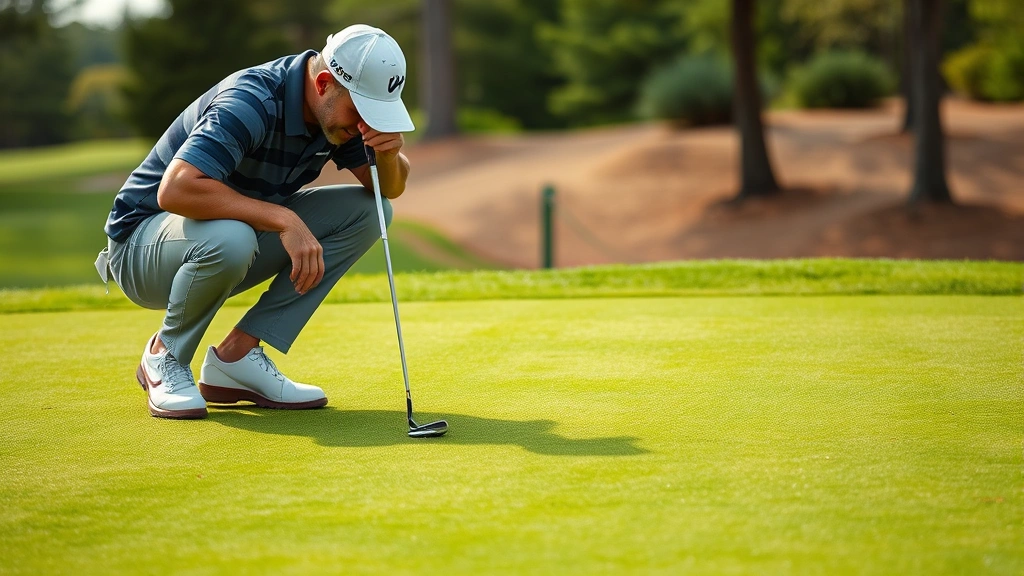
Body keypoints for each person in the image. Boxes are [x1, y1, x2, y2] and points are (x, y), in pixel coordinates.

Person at [94, 25, 415, 420]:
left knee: (372, 212)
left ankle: (237, 358)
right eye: (362, 111)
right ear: (324, 83)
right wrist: (284, 218)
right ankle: (164, 356)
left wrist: (389, 152)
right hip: (141, 248)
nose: (366, 123)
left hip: (226, 238)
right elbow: (175, 191)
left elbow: (388, 189)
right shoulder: (252, 99)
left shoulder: (339, 115)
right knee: (232, 237)